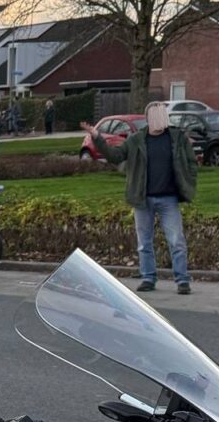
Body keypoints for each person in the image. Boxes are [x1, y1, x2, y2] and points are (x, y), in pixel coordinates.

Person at [84, 96, 199, 294]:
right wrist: (97, 136)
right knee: (144, 242)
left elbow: (191, 162)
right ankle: (148, 277)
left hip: (169, 198)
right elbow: (115, 156)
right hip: (142, 198)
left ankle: (182, 280)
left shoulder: (177, 138)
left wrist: (189, 181)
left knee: (176, 240)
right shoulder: (136, 140)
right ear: (148, 118)